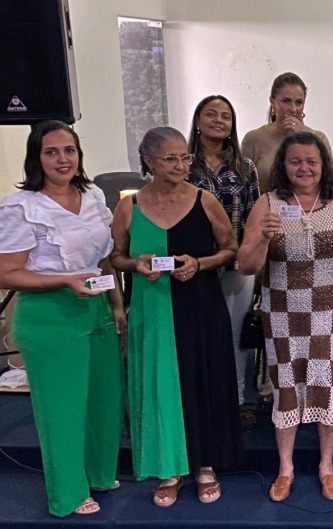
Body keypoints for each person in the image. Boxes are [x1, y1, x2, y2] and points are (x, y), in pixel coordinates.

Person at [110, 127, 244, 507]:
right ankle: (168, 468)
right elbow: (115, 257)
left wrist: (199, 263)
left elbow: (230, 248)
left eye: (185, 157)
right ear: (148, 161)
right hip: (152, 310)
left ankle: (205, 464)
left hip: (200, 306)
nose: (181, 165)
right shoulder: (129, 207)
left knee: (202, 380)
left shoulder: (205, 200)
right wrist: (135, 264)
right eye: (170, 159)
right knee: (159, 385)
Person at [0, 121, 124, 517]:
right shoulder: (21, 207)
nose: (62, 159)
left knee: (103, 401)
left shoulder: (92, 196)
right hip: (49, 315)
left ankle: (99, 474)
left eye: (69, 150)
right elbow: (6, 273)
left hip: (96, 307)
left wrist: (116, 305)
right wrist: (64, 280)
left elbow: (104, 258)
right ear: (36, 158)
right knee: (62, 410)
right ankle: (68, 494)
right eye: (51, 152)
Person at [236, 131, 333, 502]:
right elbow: (246, 265)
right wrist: (263, 237)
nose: (304, 168)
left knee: (328, 386)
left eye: (312, 161)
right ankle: (285, 468)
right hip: (283, 313)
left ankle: (327, 466)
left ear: (324, 164)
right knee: (286, 387)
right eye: (295, 161)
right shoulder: (268, 202)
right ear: (283, 165)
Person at [185, 95, 261, 426]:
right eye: (211, 114)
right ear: (197, 121)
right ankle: (202, 401)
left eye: (226, 116)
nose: (219, 120)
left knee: (236, 336)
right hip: (194, 266)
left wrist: (253, 257)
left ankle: (238, 400)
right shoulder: (184, 165)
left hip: (237, 265)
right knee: (200, 336)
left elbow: (255, 215)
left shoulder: (245, 167)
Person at [242, 72, 333, 192]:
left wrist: (302, 137)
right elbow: (242, 186)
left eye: (299, 102)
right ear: (272, 102)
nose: (293, 109)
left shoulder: (319, 138)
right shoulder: (254, 139)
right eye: (286, 101)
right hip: (265, 202)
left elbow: (331, 182)